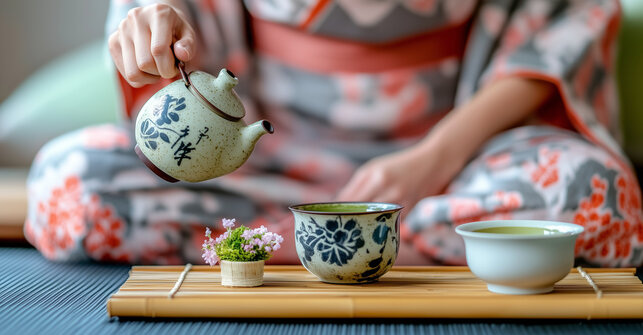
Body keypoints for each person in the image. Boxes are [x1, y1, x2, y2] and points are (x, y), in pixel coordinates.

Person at [24, 0, 643, 267]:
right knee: (70, 182)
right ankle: (379, 244)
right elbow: (181, 33)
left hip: (458, 157)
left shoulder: (448, 155)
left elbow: (557, 26)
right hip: (268, 162)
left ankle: (289, 248)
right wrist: (156, 24)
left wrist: (434, 157)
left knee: (594, 192)